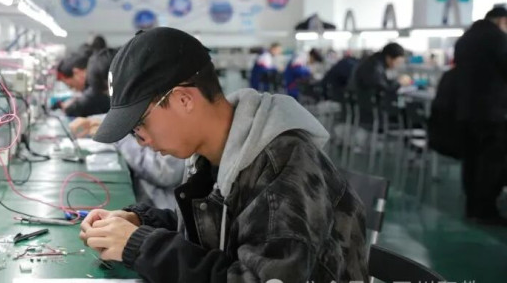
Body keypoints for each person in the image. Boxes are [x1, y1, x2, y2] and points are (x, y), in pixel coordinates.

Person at [79, 28, 368, 283]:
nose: (141, 141)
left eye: (140, 124)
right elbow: (230, 233)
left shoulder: (282, 165)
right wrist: (142, 223)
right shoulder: (216, 153)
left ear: (183, 100)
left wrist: (143, 247)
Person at [454, 6, 507, 224]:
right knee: (491, 163)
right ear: (502, 20)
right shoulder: (498, 39)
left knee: (471, 160)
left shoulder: (465, 39)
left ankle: (471, 207)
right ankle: (486, 210)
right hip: (491, 112)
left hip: (465, 110)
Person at [62, 48, 115, 117]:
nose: (74, 89)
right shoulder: (98, 68)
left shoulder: (97, 79)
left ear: (76, 72)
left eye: (71, 85)